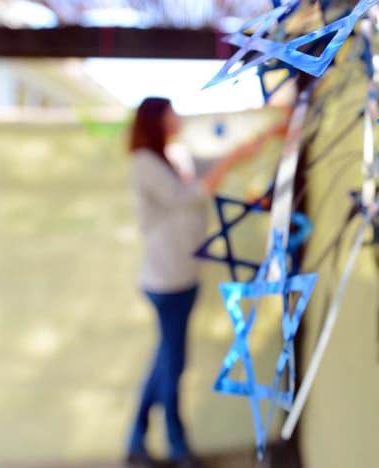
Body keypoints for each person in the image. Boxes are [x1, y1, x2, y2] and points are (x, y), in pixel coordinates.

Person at [126, 97, 269, 468]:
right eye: (171, 112)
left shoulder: (176, 157)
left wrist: (263, 138)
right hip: (166, 280)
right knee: (173, 365)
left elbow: (218, 164)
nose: (178, 118)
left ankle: (136, 441)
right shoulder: (145, 163)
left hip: (184, 277)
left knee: (165, 360)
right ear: (156, 119)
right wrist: (224, 164)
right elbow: (191, 194)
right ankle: (176, 447)